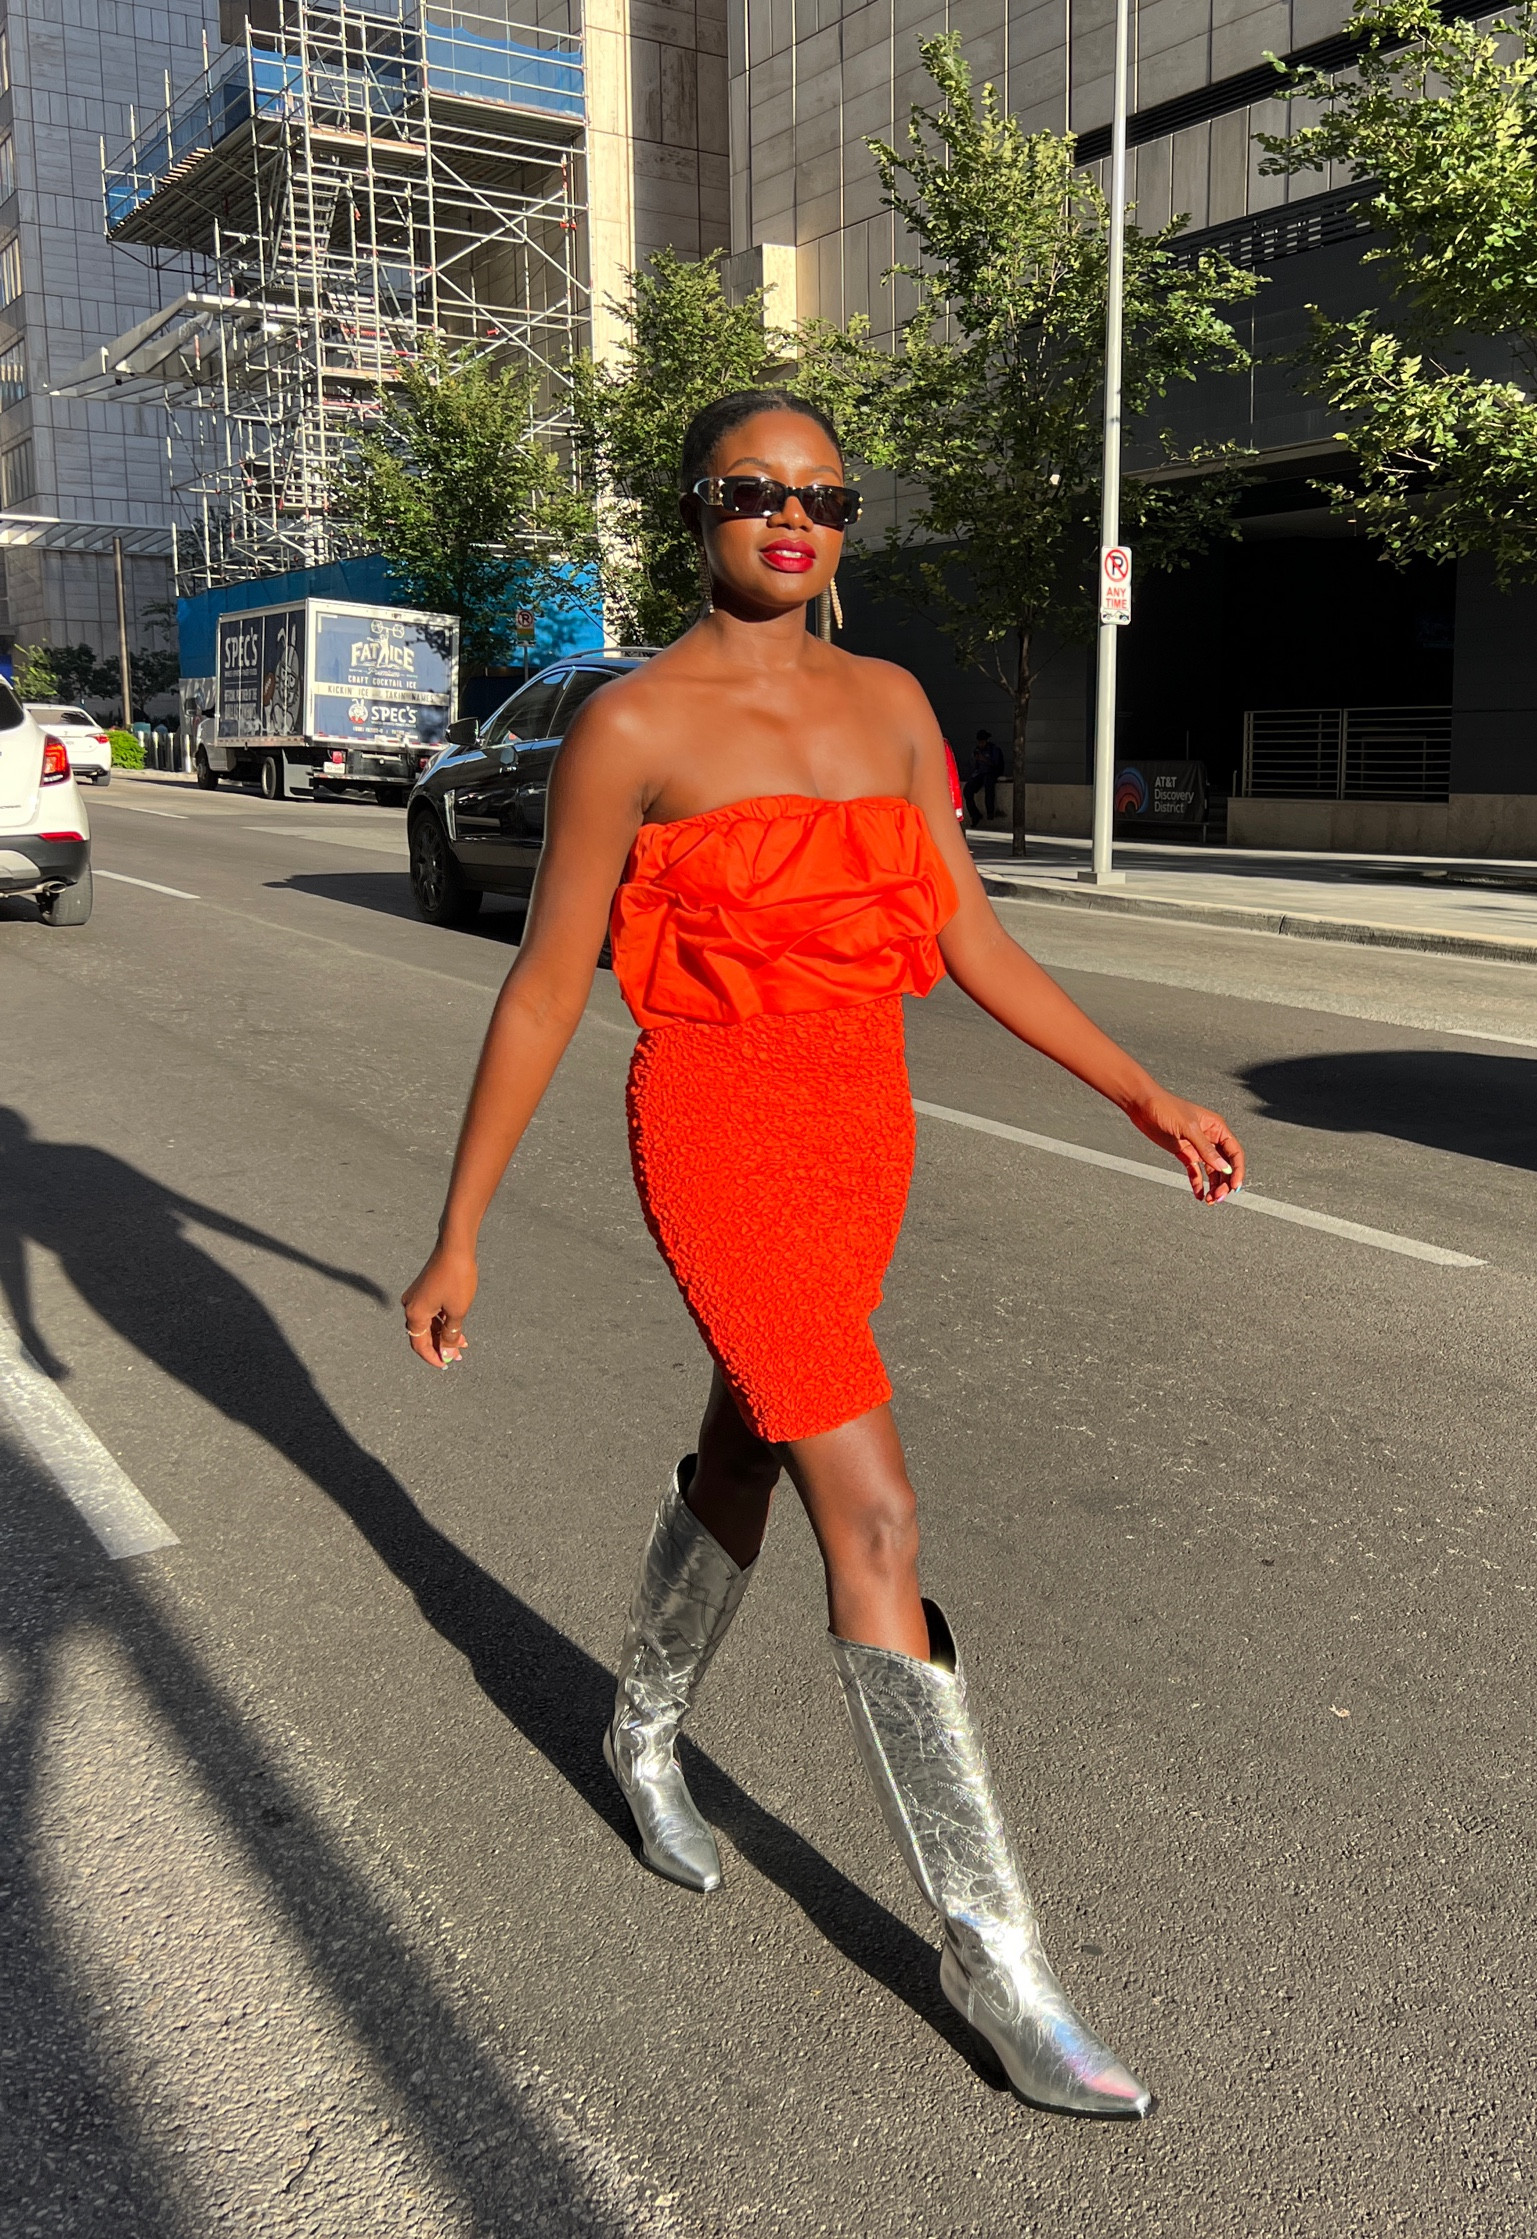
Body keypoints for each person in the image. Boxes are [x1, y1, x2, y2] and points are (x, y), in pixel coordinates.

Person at [401, 390, 1245, 2121]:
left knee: (749, 1433)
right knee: (872, 1502)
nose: (794, 519)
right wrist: (460, 1229)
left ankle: (638, 1728)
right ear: (695, 506)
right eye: (756, 492)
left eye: (825, 498)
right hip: (713, 1121)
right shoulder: (631, 725)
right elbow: (550, 981)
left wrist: (1140, 1091)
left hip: (861, 1118)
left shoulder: (892, 703)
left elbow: (969, 933)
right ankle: (995, 1953)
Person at [965, 727, 1004, 825]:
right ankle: (975, 814)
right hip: (980, 773)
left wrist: (984, 759)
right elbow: (974, 766)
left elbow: (996, 764)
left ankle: (990, 812)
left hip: (991, 773)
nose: (981, 744)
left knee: (989, 786)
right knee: (967, 790)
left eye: (982, 742)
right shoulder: (977, 750)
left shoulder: (994, 749)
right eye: (979, 742)